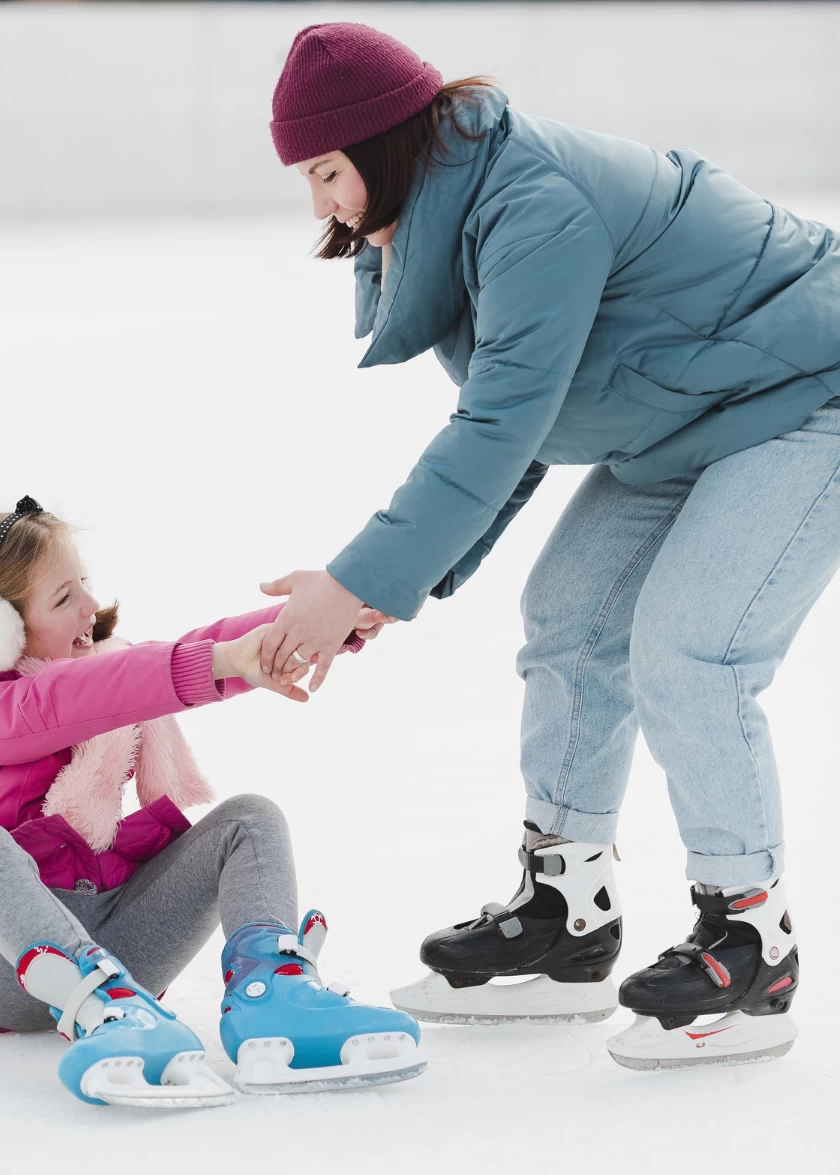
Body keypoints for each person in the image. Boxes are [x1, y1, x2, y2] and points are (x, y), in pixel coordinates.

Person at [257, 22, 839, 1069]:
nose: (322, 206)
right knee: (569, 619)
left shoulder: (532, 207)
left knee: (690, 650)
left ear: (386, 144)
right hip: (688, 412)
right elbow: (518, 416)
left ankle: (752, 942)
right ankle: (566, 914)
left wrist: (354, 582)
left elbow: (500, 425)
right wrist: (395, 583)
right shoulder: (453, 210)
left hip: (804, 391)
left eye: (329, 172)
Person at [0, 495, 424, 1107]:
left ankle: (273, 997)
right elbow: (66, 701)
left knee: (249, 819)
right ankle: (104, 1009)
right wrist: (216, 664)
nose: (91, 605)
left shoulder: (98, 666)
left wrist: (318, 619)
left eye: (83, 583)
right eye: (64, 599)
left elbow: (155, 663)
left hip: (121, 943)